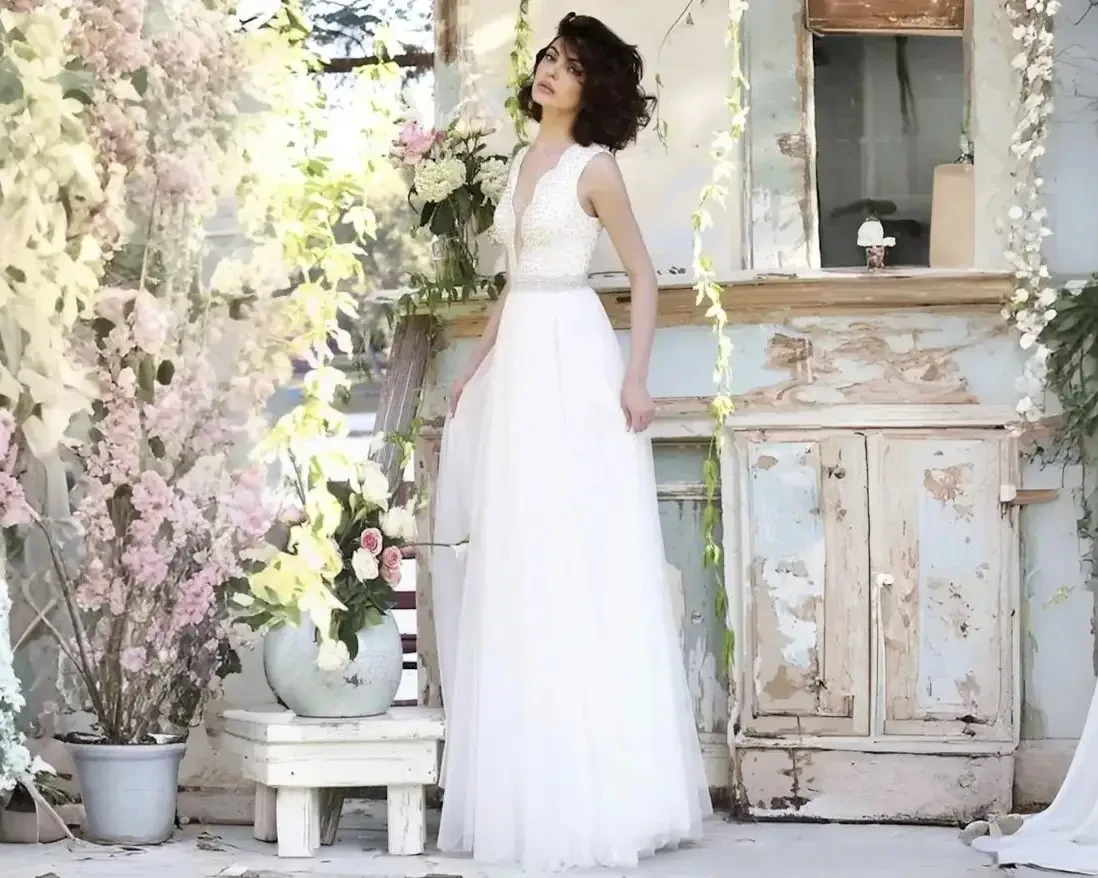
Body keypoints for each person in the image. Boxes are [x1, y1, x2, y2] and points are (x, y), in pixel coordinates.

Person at [428, 11, 713, 872]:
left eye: (570, 64)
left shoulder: (595, 168)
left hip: (575, 359)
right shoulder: (524, 159)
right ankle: (530, 785)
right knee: (522, 555)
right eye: (549, 56)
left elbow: (643, 276)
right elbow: (515, 285)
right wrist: (474, 367)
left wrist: (636, 377)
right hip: (521, 355)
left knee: (579, 553)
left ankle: (606, 796)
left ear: (592, 89)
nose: (550, 69)